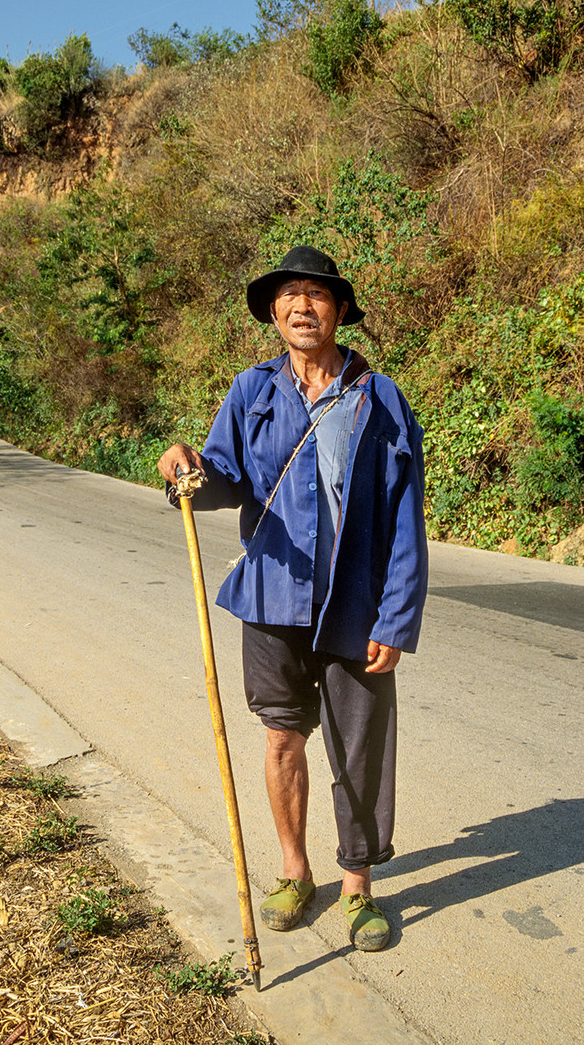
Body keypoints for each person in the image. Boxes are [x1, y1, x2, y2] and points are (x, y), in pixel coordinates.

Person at [158, 245, 428, 951]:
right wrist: (185, 465)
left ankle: (358, 885)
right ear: (274, 313)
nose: (302, 306)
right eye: (290, 296)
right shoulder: (252, 392)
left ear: (339, 311)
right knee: (282, 736)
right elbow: (220, 480)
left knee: (358, 749)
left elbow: (405, 516)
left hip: (356, 605)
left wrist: (396, 615)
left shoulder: (379, 397)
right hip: (271, 596)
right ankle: (293, 871)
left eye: (317, 295)